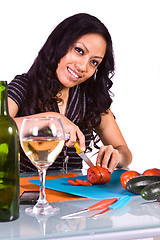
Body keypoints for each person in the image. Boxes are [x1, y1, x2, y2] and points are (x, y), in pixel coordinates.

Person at [8, 13, 132, 173]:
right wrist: (51, 120)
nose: (83, 67)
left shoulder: (91, 99)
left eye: (94, 62)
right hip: (26, 193)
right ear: (60, 44)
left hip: (74, 194)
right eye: (79, 51)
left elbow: (125, 152)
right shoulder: (23, 86)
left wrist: (117, 155)